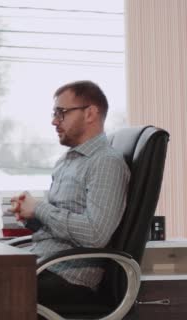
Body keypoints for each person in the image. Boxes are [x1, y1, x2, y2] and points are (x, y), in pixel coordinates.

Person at [10, 81, 130, 307]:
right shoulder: (66, 162)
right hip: (45, 265)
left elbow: (95, 235)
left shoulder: (105, 162)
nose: (54, 121)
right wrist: (33, 219)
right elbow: (62, 228)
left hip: (69, 279)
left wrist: (40, 208)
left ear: (90, 113)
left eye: (61, 113)